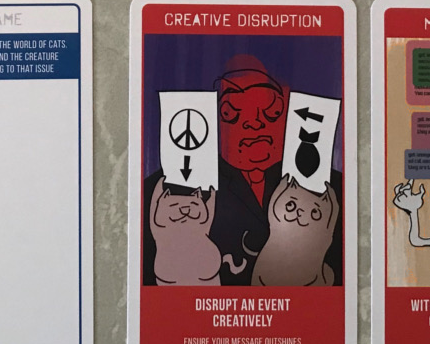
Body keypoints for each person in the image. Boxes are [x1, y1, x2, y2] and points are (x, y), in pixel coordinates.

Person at [143, 56, 343, 285]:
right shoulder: (162, 197)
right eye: (231, 112)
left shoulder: (332, 191)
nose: (254, 122)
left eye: (270, 108)